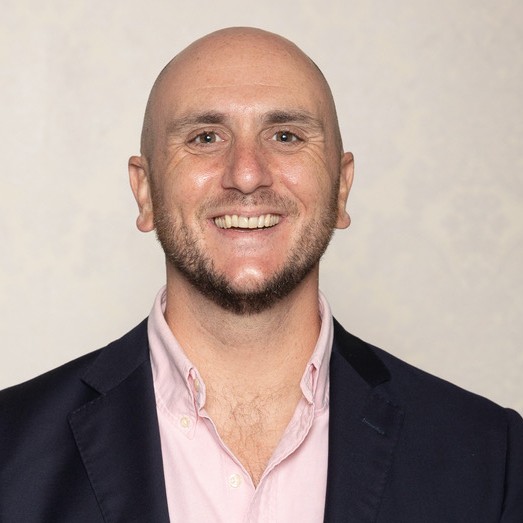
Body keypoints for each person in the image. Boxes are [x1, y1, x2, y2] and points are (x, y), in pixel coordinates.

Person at [0, 27, 522, 523]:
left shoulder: (489, 456)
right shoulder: (11, 448)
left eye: (286, 136)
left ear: (341, 188)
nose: (247, 174)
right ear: (145, 192)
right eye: (205, 137)